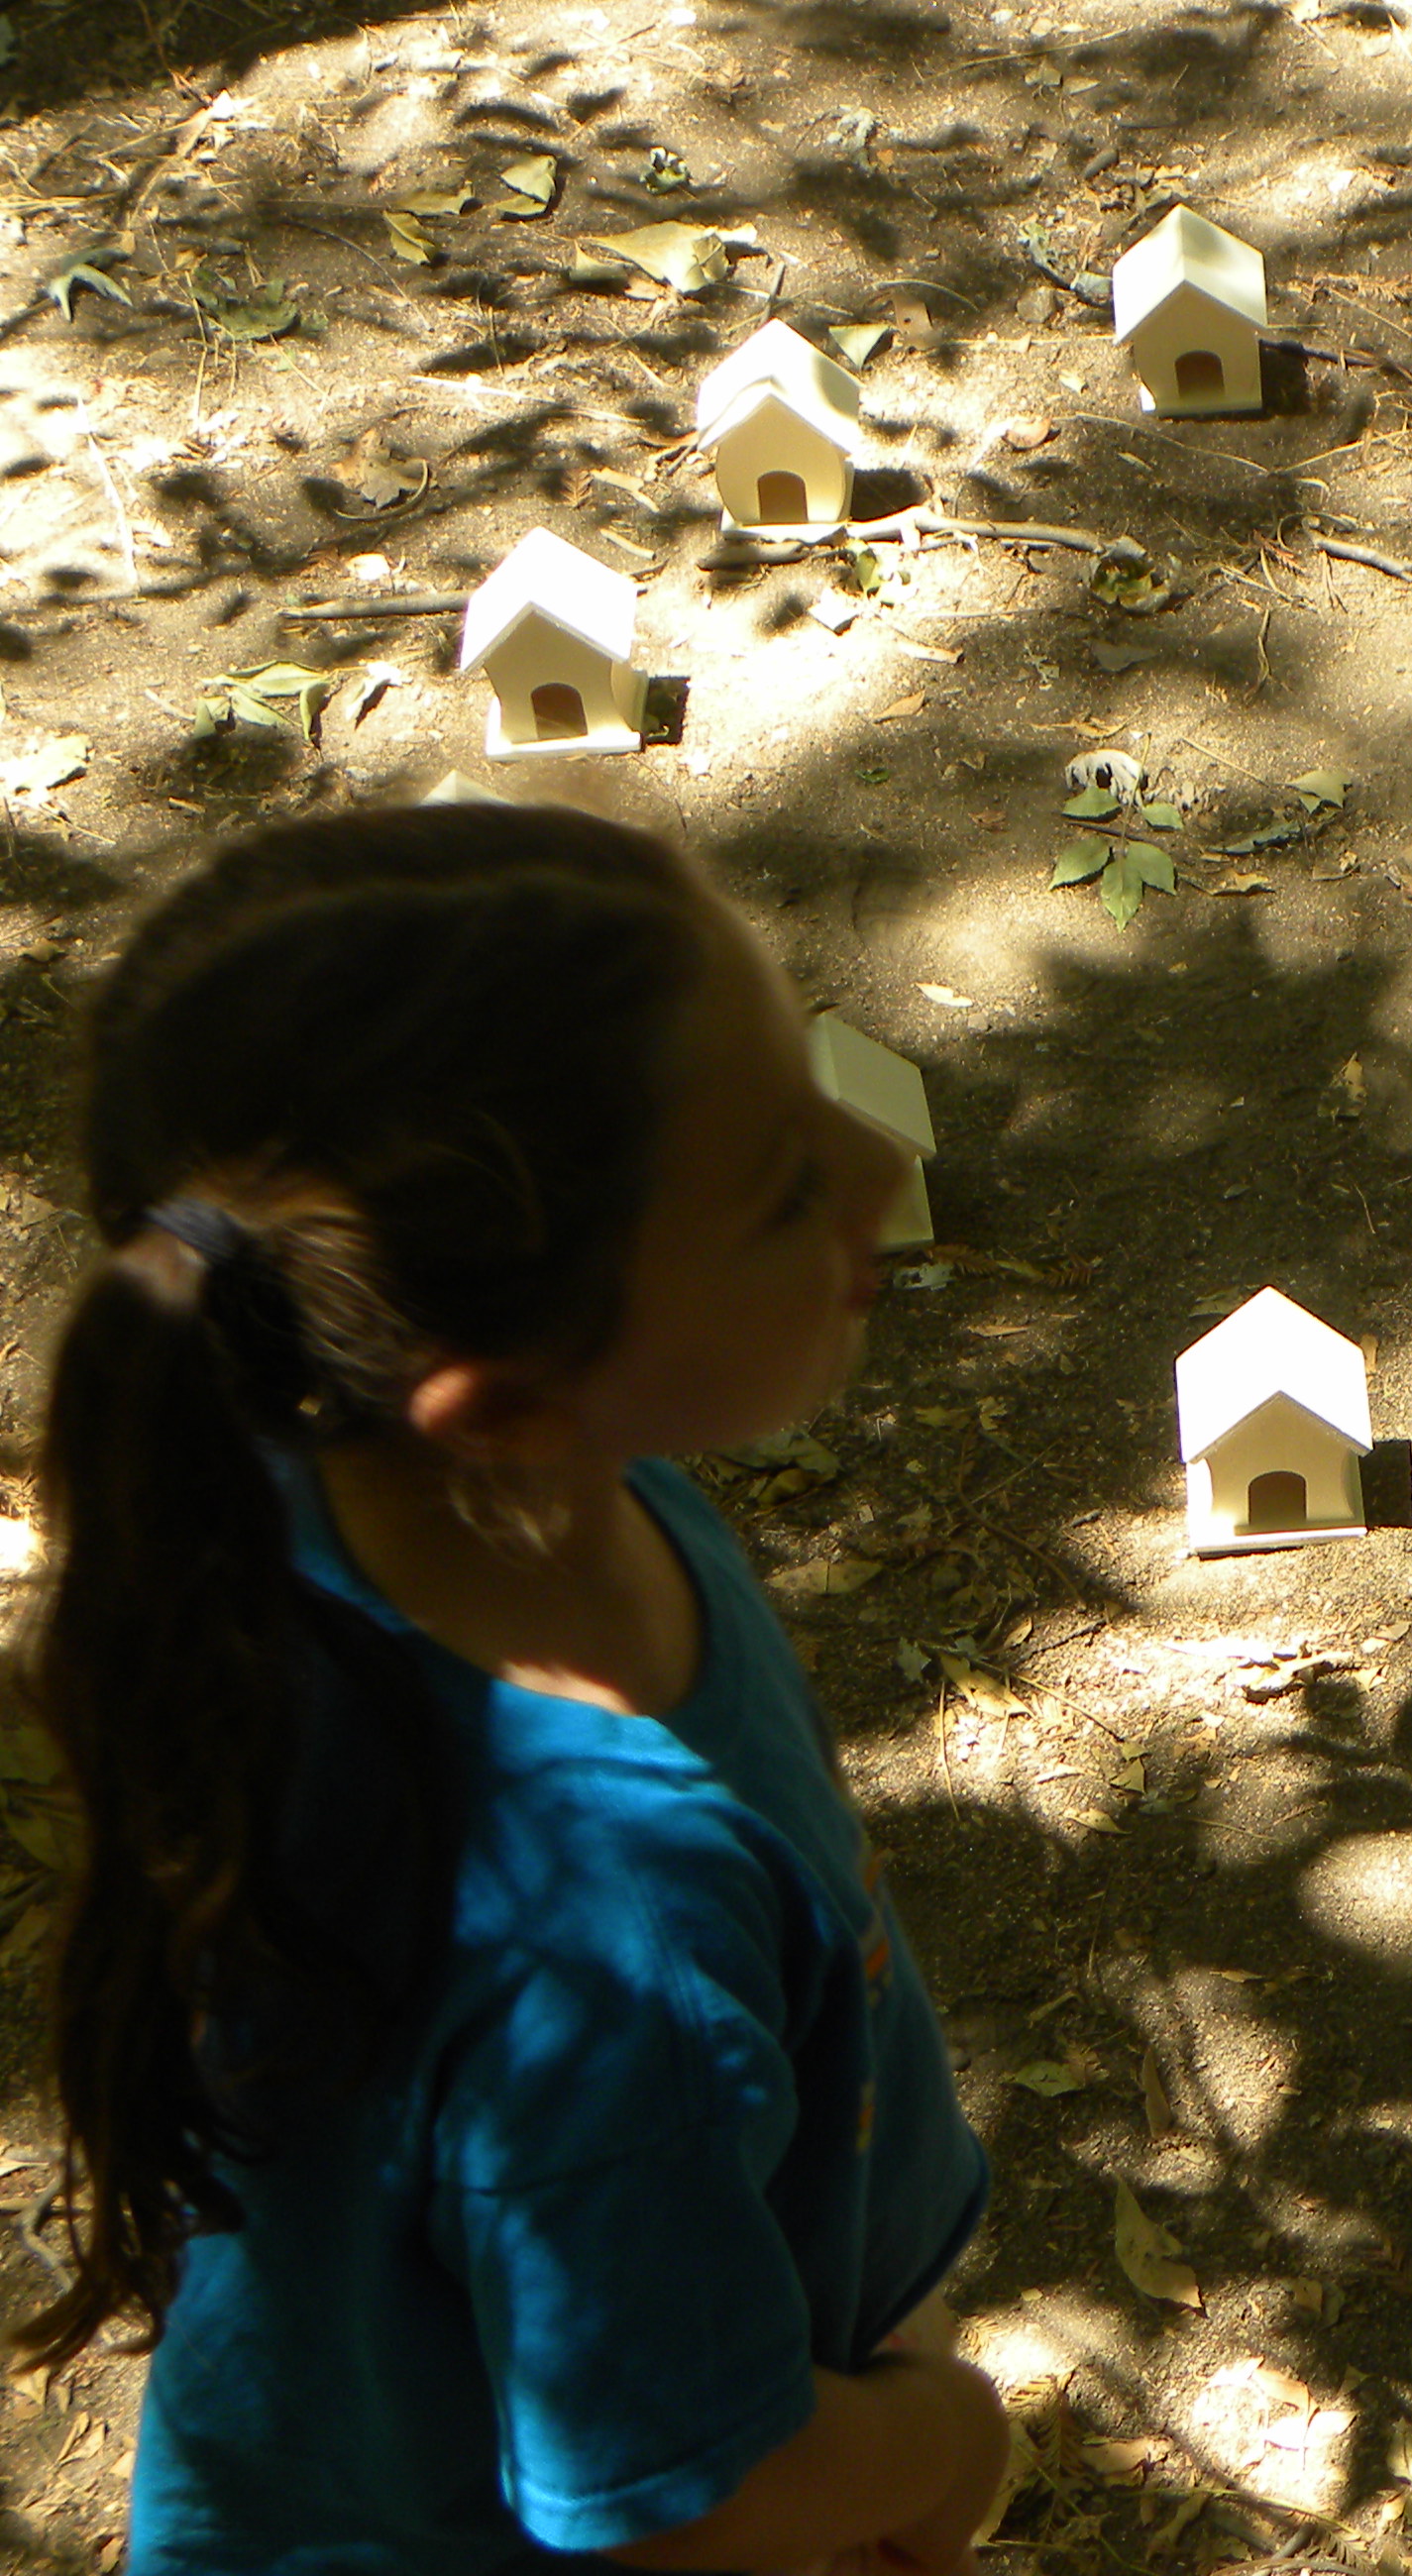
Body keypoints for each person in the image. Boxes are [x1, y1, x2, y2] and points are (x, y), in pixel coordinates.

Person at [10, 802, 1008, 2573]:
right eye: (783, 1182)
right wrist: (941, 2442)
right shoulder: (608, 1953)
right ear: (512, 1402)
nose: (875, 1162)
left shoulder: (331, 1481)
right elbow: (690, 2503)